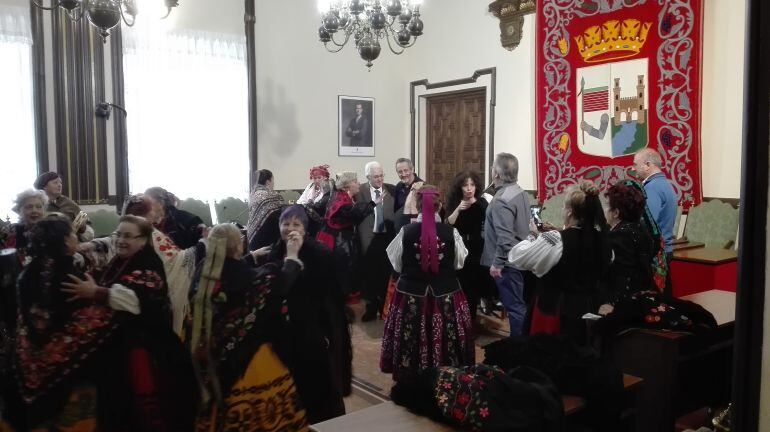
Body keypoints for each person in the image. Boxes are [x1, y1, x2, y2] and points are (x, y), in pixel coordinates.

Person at [19, 215, 198, 430]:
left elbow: (134, 300)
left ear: (143, 240)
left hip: (146, 345)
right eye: (118, 234)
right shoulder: (121, 260)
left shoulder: (148, 263)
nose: (121, 240)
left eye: (128, 236)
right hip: (122, 340)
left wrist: (96, 291)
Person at [188, 223, 308, 431]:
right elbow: (280, 284)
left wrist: (251, 257)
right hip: (245, 361)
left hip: (210, 358)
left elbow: (227, 273)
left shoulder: (203, 271)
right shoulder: (251, 279)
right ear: (238, 246)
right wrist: (292, 255)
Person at [255, 205, 352, 424]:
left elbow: (331, 297)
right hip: (284, 334)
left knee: (318, 391)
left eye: (296, 224)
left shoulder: (320, 253)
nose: (290, 229)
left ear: (305, 228)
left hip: (313, 333)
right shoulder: (275, 250)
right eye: (285, 224)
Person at [380, 185, 474, 382]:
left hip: (411, 295)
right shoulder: (450, 232)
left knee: (411, 335)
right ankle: (446, 373)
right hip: (445, 294)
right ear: (440, 207)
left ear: (418, 205)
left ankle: (412, 374)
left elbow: (396, 264)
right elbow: (459, 263)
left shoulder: (406, 231)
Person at [80, 194, 206, 336]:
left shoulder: (144, 251)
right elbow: (179, 260)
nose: (121, 240)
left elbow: (137, 298)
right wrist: (203, 246)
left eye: (126, 236)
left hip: (139, 325)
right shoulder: (150, 235)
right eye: (152, 209)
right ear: (146, 213)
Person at [508, 181, 611, 345]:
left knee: (551, 357)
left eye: (564, 207)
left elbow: (517, 257)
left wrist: (534, 236)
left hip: (555, 312)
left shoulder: (556, 240)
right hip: (589, 311)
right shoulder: (603, 241)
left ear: (569, 212)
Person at [480, 153, 531, 336]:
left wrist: (497, 263)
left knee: (515, 308)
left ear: (497, 174)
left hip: (508, 264)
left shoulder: (502, 200)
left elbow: (505, 237)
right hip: (519, 258)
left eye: (493, 167)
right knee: (518, 306)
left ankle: (519, 350)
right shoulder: (520, 191)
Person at [316, 171, 376, 301]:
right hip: (337, 243)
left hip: (338, 239)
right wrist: (372, 203)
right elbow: (353, 213)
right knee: (342, 272)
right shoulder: (341, 200)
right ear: (346, 186)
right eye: (355, 181)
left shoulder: (343, 196)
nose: (358, 183)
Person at [445, 170, 494, 321]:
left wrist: (475, 203)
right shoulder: (454, 202)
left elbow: (489, 218)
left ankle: (471, 322)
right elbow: (448, 223)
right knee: (460, 285)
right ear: (459, 187)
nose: (469, 188)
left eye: (472, 185)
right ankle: (458, 321)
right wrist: (458, 209)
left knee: (473, 288)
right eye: (465, 185)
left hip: (476, 247)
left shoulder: (481, 202)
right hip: (459, 246)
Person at [602, 181, 657, 308]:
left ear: (615, 213)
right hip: (645, 293)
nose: (604, 209)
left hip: (625, 301)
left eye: (606, 205)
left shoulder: (618, 236)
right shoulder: (643, 229)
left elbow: (618, 275)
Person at [633, 148, 677, 294]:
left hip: (656, 253)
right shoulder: (665, 184)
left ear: (647, 164)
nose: (633, 169)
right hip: (665, 250)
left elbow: (647, 222)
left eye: (635, 165)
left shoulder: (652, 187)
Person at [357, 161, 396, 321]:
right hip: (368, 237)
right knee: (369, 275)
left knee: (385, 274)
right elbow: (357, 213)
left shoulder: (392, 189)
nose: (379, 179)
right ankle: (371, 307)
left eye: (381, 175)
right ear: (368, 177)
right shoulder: (359, 191)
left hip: (387, 238)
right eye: (375, 176)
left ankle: (383, 307)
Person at [34, 171, 93, 242]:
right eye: (55, 182)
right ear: (44, 186)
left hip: (70, 244)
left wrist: (83, 228)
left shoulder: (68, 203)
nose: (59, 185)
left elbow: (86, 226)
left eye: (60, 183)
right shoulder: (36, 203)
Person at [0, 189, 47, 264]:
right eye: (29, 207)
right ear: (19, 211)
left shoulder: (50, 231)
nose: (34, 210)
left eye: (39, 207)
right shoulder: (10, 232)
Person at [247, 169, 286, 250]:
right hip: (266, 240)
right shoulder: (273, 196)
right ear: (268, 182)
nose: (273, 184)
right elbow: (284, 214)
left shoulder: (254, 194)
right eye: (273, 181)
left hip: (252, 238)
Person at [297, 164, 333, 236]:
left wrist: (308, 205)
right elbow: (300, 200)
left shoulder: (328, 188)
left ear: (325, 177)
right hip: (307, 213)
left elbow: (321, 204)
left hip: (319, 217)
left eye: (319, 178)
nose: (316, 180)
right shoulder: (310, 186)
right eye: (315, 178)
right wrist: (305, 205)